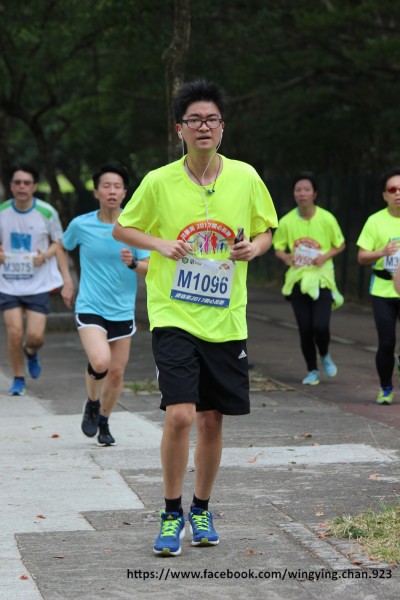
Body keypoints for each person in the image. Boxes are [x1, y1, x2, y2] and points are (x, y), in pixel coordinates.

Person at [113, 79, 278, 556]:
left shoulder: (245, 177)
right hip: (174, 313)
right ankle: (170, 512)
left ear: (222, 127)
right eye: (194, 120)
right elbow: (123, 227)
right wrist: (160, 243)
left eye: (211, 119)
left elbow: (266, 230)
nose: (203, 127)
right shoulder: (159, 181)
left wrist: (253, 250)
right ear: (179, 130)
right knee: (181, 413)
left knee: (211, 420)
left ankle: (201, 508)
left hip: (226, 319)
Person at [57, 163, 149, 446]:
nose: (112, 191)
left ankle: (105, 421)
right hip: (90, 305)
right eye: (106, 186)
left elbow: (149, 267)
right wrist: (68, 281)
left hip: (122, 309)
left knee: (117, 373)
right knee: (100, 362)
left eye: (117, 186)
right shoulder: (81, 224)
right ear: (96, 192)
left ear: (124, 193)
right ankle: (92, 402)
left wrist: (133, 263)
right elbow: (61, 246)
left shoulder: (134, 227)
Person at [273, 172, 345, 386]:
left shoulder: (327, 218)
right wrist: (286, 257)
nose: (302, 193)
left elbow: (340, 244)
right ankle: (312, 370)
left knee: (320, 326)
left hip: (322, 279)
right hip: (297, 279)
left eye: (306, 189)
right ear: (293, 194)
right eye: (298, 190)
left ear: (314, 193)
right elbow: (278, 247)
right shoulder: (286, 221)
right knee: (305, 328)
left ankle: (324, 354)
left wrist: (325, 256)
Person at [0, 164, 63, 396]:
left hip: (38, 283)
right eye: (17, 182)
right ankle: (18, 378)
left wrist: (44, 255)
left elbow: (58, 242)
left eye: (26, 183)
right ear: (11, 186)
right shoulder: (2, 211)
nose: (22, 186)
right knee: (15, 332)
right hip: (8, 283)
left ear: (34, 186)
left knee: (35, 337)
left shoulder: (47, 212)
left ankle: (31, 352)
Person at [357, 166, 400, 405]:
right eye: (392, 189)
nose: (397, 193)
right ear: (385, 195)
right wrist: (382, 252)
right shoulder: (375, 221)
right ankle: (386, 388)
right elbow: (362, 257)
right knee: (386, 342)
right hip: (383, 289)